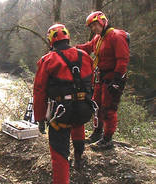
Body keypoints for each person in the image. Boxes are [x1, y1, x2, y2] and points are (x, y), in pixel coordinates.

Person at [33, 23, 93, 184]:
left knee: (59, 151)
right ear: (67, 36)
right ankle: (79, 157)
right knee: (77, 121)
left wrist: (39, 118)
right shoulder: (84, 56)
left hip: (61, 112)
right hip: (84, 108)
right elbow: (90, 83)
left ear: (51, 40)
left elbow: (39, 91)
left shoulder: (48, 60)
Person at [76, 11, 130, 150]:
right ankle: (97, 133)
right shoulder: (99, 38)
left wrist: (117, 81)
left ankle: (107, 139)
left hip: (114, 78)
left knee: (109, 109)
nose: (94, 28)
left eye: (95, 25)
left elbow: (122, 60)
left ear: (102, 21)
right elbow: (88, 47)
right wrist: (71, 49)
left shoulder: (116, 36)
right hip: (102, 77)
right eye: (91, 26)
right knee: (97, 106)